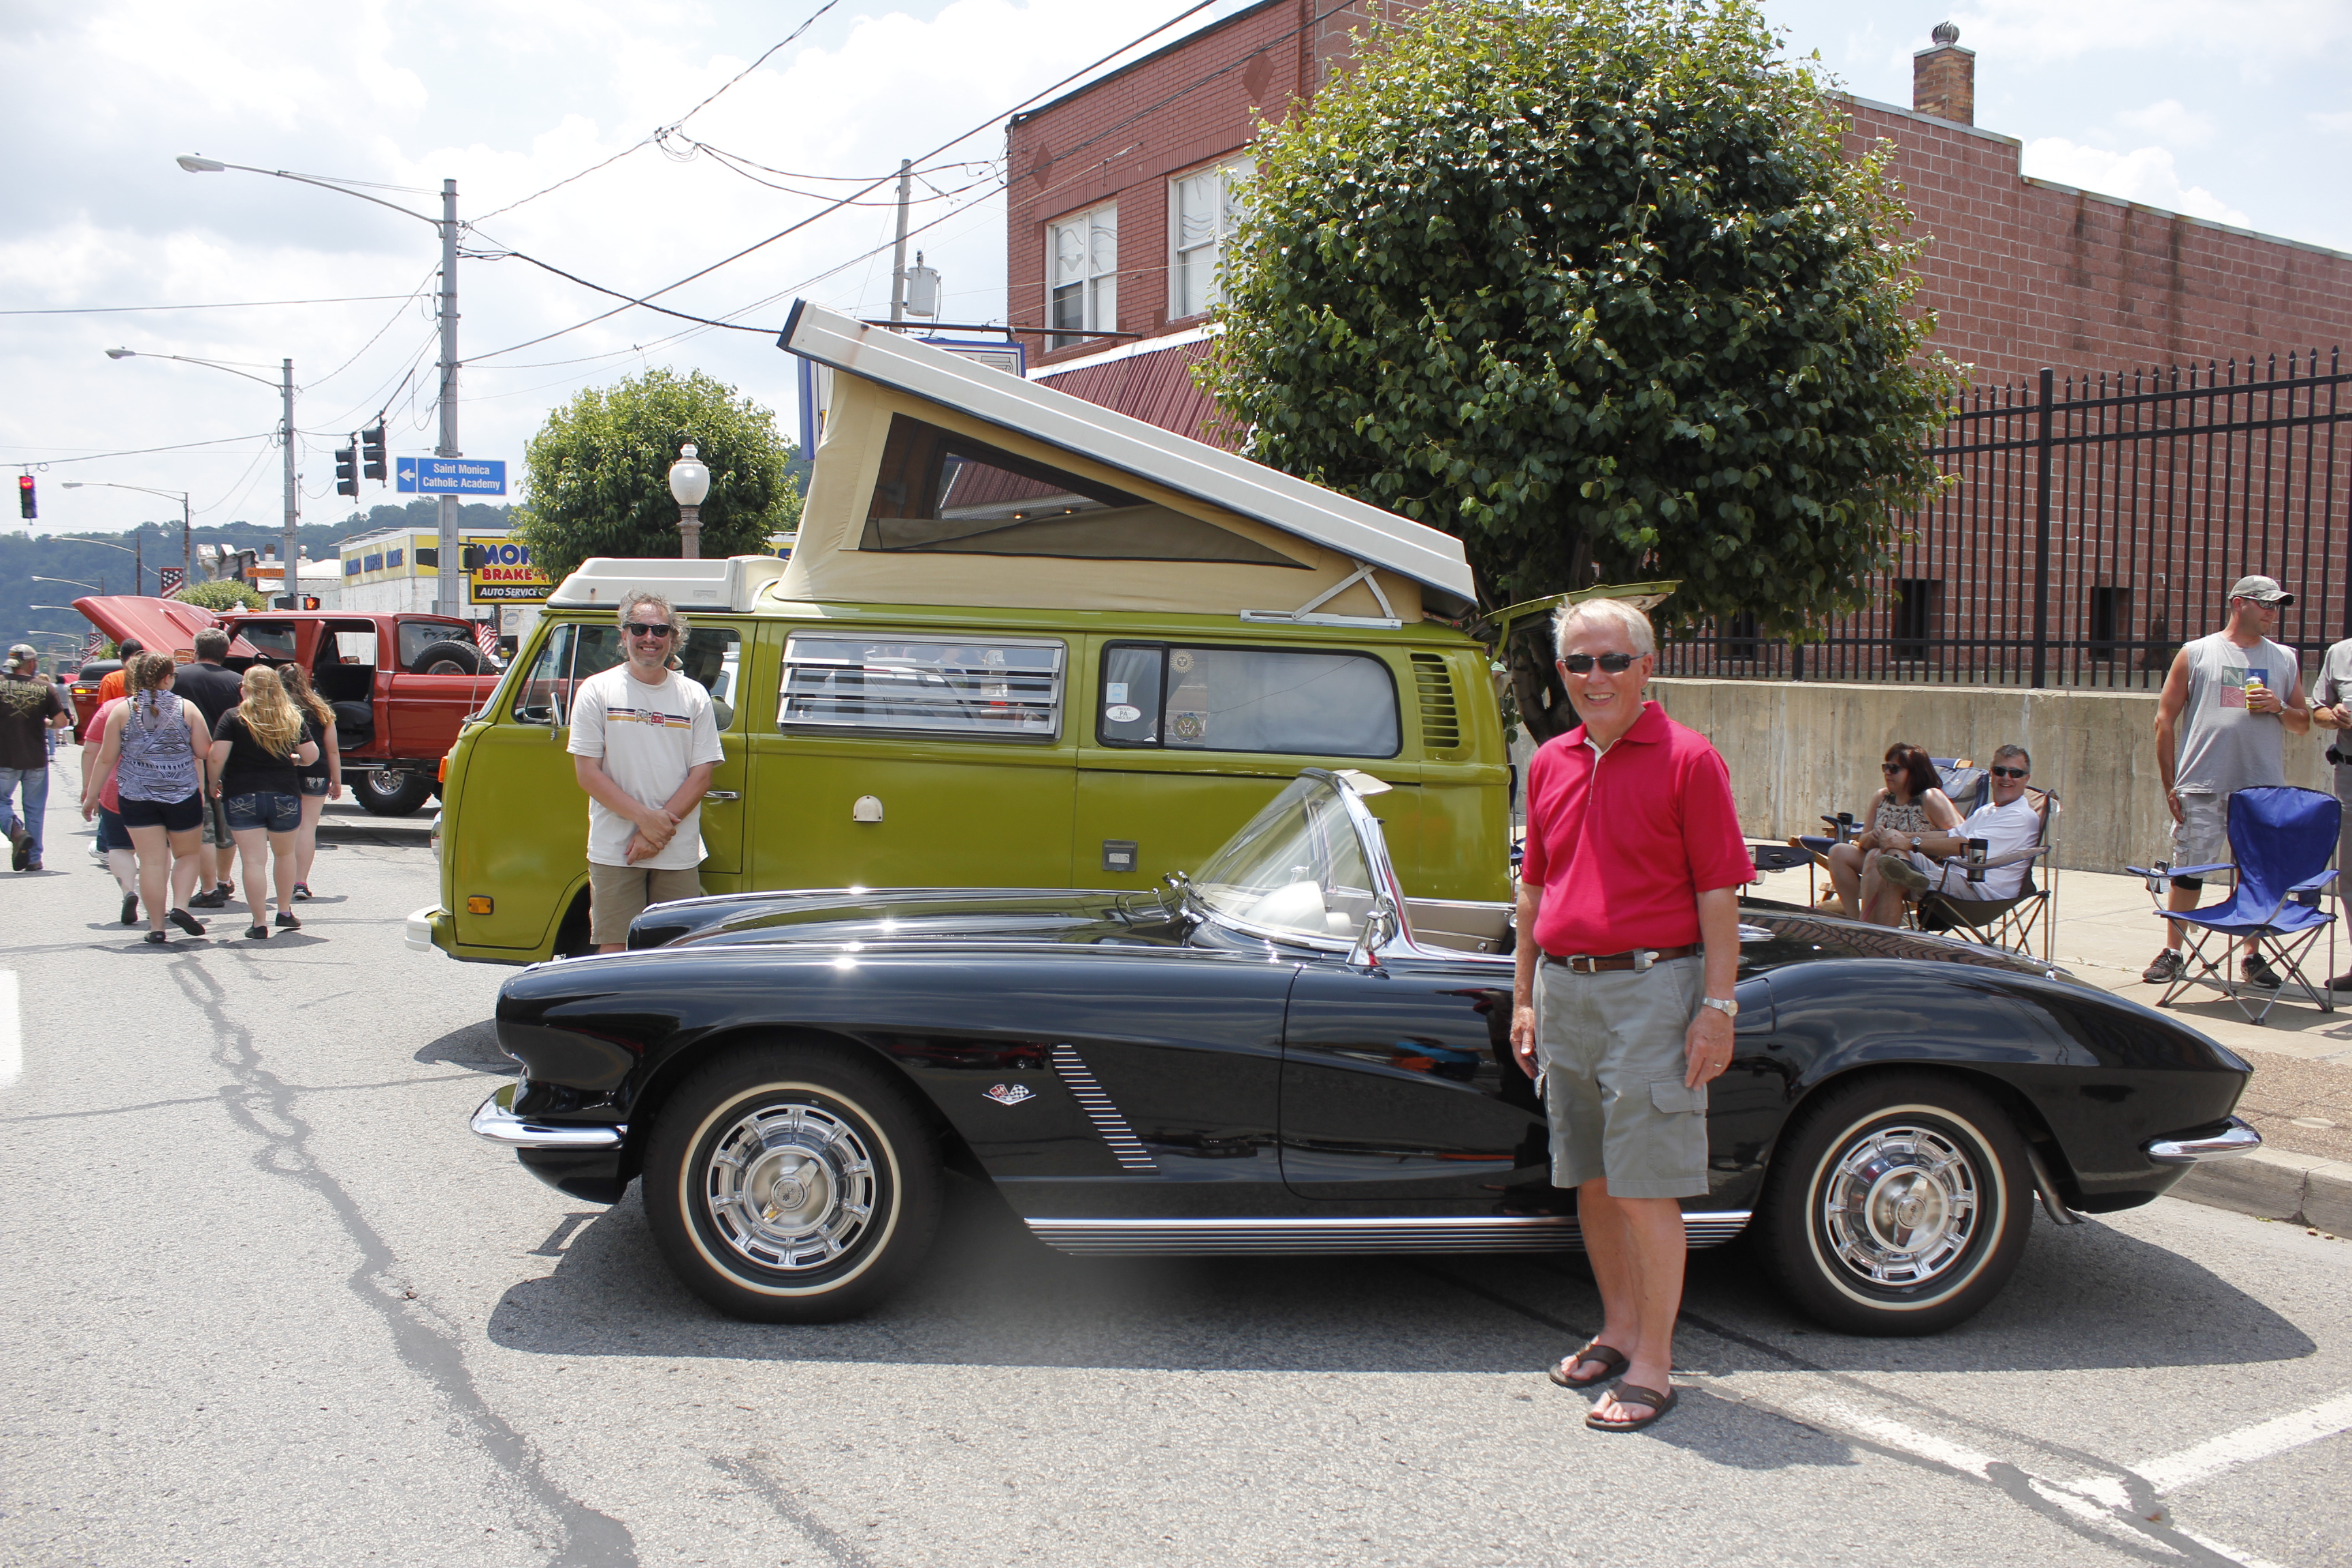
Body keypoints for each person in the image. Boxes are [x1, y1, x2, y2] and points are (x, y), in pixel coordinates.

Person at [1509, 596, 1752, 1435]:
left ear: (1647, 666)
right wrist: (1523, 996)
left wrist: (1717, 1008)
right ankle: (1617, 1330)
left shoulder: (1690, 759)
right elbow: (1534, 890)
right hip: (1565, 992)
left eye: (1612, 660)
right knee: (1593, 1175)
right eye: (1579, 662)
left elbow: (1717, 894)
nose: (1595, 677)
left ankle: (1654, 1363)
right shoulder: (1550, 763)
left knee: (1647, 1187)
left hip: (1654, 989)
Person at [2145, 575, 2310, 987]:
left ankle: (2253, 956)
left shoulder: (2285, 659)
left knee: (2256, 872)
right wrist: (2171, 783)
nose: (2273, 612)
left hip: (2261, 788)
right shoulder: (2197, 653)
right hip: (2204, 781)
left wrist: (2278, 707)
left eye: (2278, 606)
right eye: (2265, 604)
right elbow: (2164, 720)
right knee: (2190, 868)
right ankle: (2174, 951)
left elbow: (2303, 724)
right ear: (2239, 604)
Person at [569, 591, 723, 953]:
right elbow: (587, 774)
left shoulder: (694, 696)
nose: (649, 638)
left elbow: (702, 775)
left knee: (677, 951)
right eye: (639, 628)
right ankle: (619, 1014)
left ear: (673, 637)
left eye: (660, 630)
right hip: (615, 849)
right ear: (624, 636)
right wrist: (647, 823)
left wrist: (654, 834)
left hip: (678, 850)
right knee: (615, 948)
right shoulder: (596, 691)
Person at [82, 653, 211, 943]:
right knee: (187, 855)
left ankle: (156, 927)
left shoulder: (121, 711)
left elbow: (105, 758)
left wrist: (92, 796)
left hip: (136, 796)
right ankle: (179, 907)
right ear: (167, 678)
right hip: (181, 794)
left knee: (152, 861)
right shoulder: (186, 708)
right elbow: (204, 750)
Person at [208, 666, 321, 940]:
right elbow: (312, 756)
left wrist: (213, 783)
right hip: (284, 794)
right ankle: (284, 911)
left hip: (242, 794)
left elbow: (216, 756)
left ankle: (259, 922)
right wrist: (294, 759)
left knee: (253, 861)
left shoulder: (233, 717)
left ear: (245, 687)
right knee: (284, 855)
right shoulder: (290, 717)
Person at [1871, 745, 2044, 922]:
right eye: (2000, 771)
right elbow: (1950, 835)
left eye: (2015, 773)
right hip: (1954, 875)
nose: (2006, 778)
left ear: (2027, 778)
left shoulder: (2021, 816)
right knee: (1890, 842)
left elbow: (1966, 846)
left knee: (1894, 880)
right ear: (1991, 774)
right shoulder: (1988, 810)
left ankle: (1882, 945)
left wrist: (1911, 843)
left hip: (1978, 893)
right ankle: (1909, 874)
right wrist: (1901, 837)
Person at [1824, 742, 1961, 922]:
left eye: (1894, 768)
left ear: (1914, 772)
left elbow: (1959, 834)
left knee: (1876, 856)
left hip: (1920, 866)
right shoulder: (1882, 797)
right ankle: (1854, 919)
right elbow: (1863, 840)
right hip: (1882, 858)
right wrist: (1873, 837)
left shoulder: (1930, 797)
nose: (1887, 773)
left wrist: (1905, 838)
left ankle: (1867, 927)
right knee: (1838, 852)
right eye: (1885, 767)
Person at [174, 630, 248, 912]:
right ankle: (224, 879)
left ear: (195, 649)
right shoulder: (237, 682)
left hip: (189, 761)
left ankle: (208, 889)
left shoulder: (179, 678)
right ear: (226, 652)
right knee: (226, 825)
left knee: (203, 828)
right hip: (229, 759)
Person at [3, 641, 74, 871]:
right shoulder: (45, 687)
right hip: (36, 759)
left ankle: (15, 831)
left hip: (5, 758)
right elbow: (62, 722)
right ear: (32, 663)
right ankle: (33, 858)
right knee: (34, 808)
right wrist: (47, 723)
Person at [2308, 634, 2352, 989]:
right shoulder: (2341, 653)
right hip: (2349, 774)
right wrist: (2333, 715)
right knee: (2351, 876)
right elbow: (2317, 712)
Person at [277, 663, 341, 900]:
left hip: (285, 770)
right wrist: (337, 781)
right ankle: (300, 882)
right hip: (317, 770)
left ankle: (282, 879)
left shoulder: (278, 708)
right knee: (308, 827)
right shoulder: (320, 708)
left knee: (285, 828)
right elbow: (332, 750)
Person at [80, 688, 142, 924]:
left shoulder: (110, 710)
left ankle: (129, 890)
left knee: (118, 847)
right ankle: (158, 902)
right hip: (161, 789)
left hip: (116, 788)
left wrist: (89, 791)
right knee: (155, 853)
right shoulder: (179, 708)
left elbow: (92, 752)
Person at [93, 638, 143, 706]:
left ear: (120, 656)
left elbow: (105, 709)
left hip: (120, 716)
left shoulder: (111, 679)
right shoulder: (152, 676)